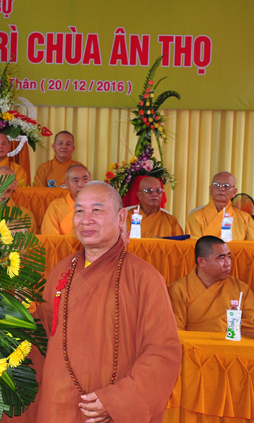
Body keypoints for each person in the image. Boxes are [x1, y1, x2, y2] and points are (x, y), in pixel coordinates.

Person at [30, 181, 181, 422]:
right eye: (79, 211)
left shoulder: (144, 278)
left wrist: (118, 402)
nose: (86, 220)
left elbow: (163, 352)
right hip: (57, 406)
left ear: (121, 218)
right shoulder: (61, 271)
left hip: (107, 412)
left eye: (97, 210)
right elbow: (38, 336)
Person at [168, 236, 254, 337]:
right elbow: (175, 332)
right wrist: (222, 325)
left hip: (232, 346)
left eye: (229, 257)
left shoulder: (240, 288)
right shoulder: (179, 290)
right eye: (221, 258)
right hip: (194, 346)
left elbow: (251, 326)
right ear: (201, 261)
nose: (228, 263)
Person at [186, 172, 254, 240]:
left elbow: (251, 245)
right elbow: (194, 244)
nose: (221, 189)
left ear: (234, 192)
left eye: (226, 185)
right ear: (210, 190)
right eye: (217, 185)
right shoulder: (195, 217)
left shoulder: (246, 219)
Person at [40, 165, 90, 236]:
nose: (81, 184)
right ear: (67, 184)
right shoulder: (56, 206)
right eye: (75, 181)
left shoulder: (99, 205)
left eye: (85, 179)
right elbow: (51, 239)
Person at [0, 166, 36, 233]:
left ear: (14, 185)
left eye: (7, 183)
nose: (3, 188)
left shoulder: (26, 215)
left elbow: (29, 239)